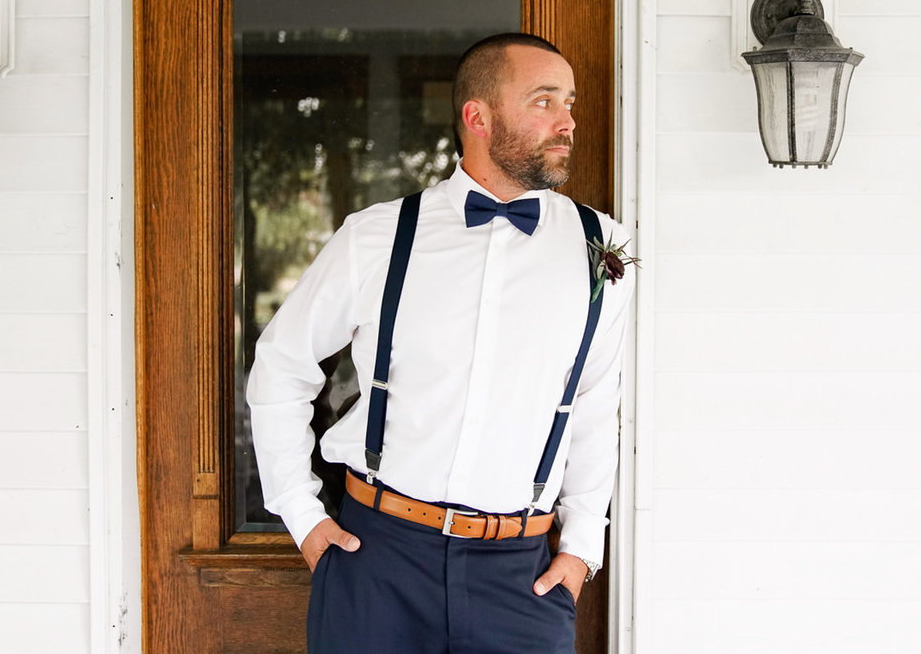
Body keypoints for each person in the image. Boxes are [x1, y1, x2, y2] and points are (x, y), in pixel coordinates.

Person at [247, 33, 634, 653]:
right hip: (377, 560)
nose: (567, 121)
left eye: (569, 102)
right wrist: (301, 513)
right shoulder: (377, 238)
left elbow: (593, 405)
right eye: (543, 101)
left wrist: (584, 547)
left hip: (523, 577)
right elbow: (281, 367)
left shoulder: (597, 248)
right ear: (477, 117)